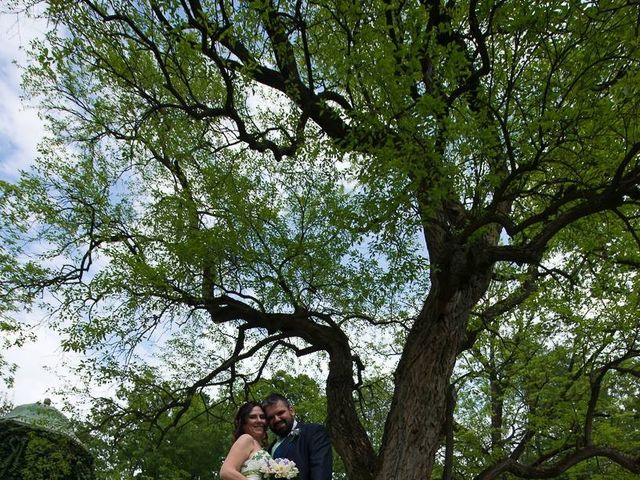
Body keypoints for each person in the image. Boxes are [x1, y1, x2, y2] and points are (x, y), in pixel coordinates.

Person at [262, 393, 332, 480]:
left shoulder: (313, 432)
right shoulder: (270, 449)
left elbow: (321, 471)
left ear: (291, 410)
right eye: (271, 418)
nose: (276, 419)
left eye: (280, 413)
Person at [220, 401, 271, 480]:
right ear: (243, 422)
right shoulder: (246, 439)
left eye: (262, 417)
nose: (259, 420)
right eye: (252, 417)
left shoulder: (259, 446)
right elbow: (226, 471)